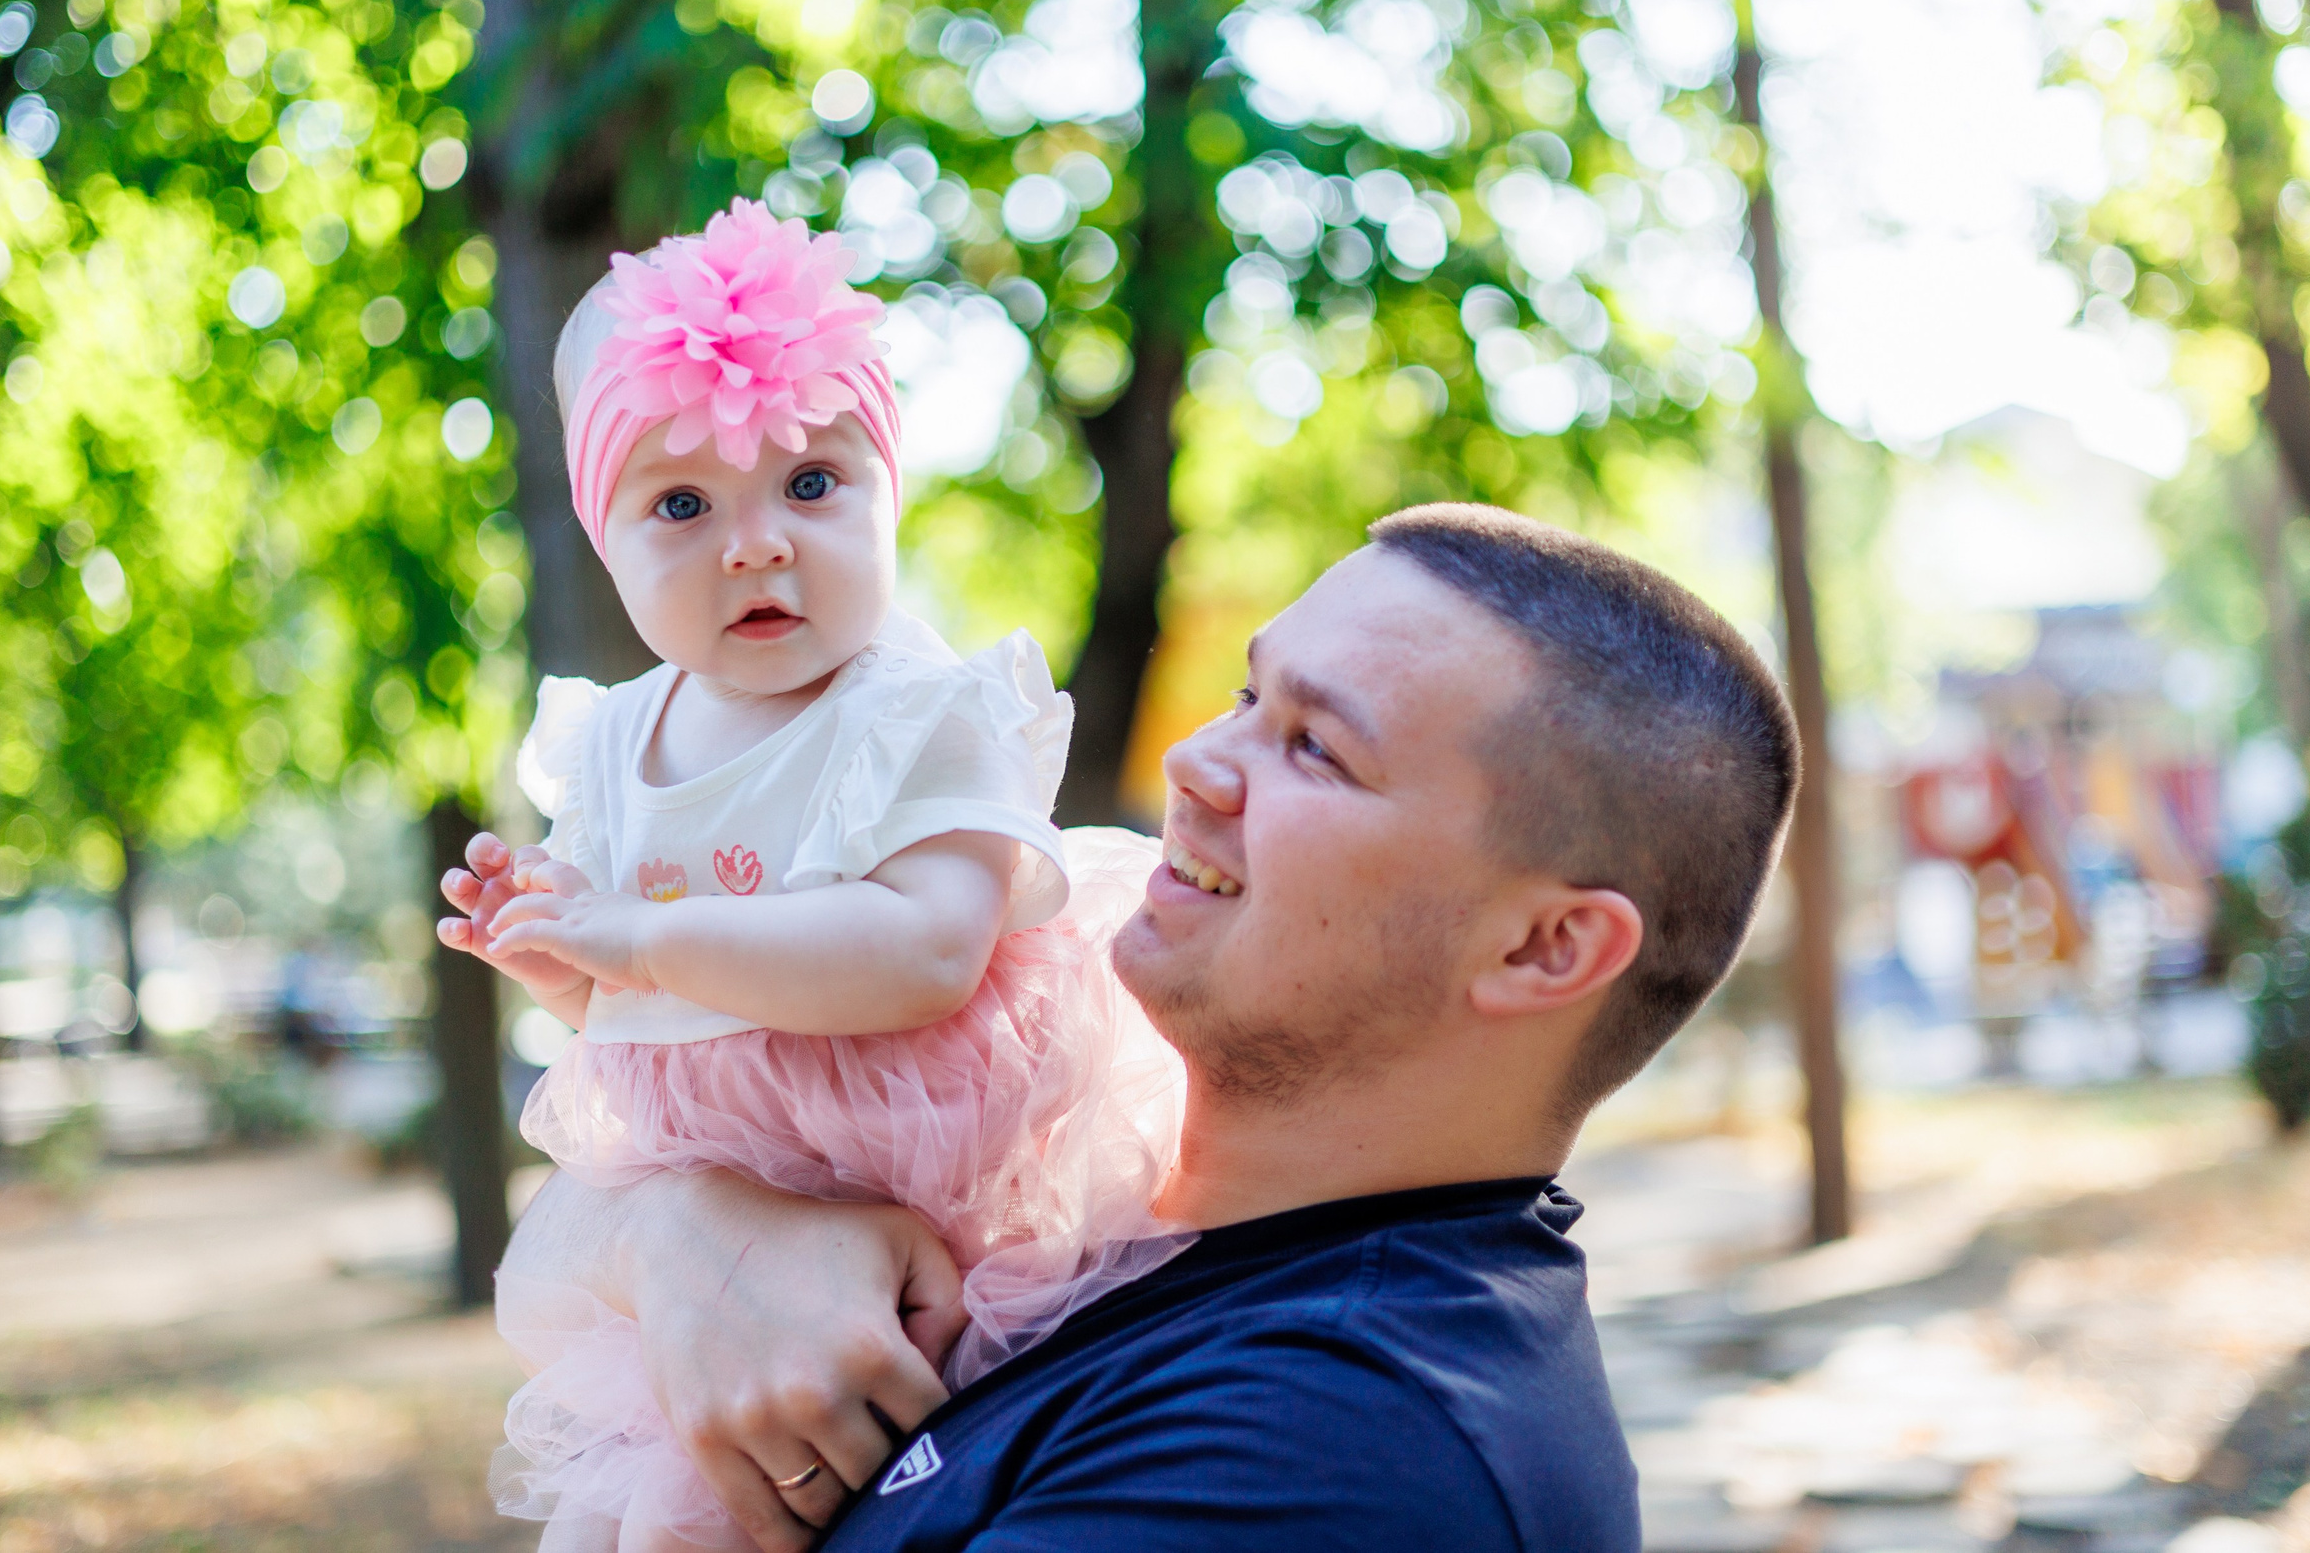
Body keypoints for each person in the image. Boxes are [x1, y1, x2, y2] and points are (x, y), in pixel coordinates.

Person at [478, 501, 1802, 1552]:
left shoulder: (1334, 1446)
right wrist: (679, 1233)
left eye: (1316, 748)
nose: (1193, 765)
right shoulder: (1066, 1192)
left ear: (1541, 946)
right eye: (1245, 698)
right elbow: (576, 1223)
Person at [436, 199, 1186, 1551]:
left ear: (889, 488)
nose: (758, 542)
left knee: (929, 1478)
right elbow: (648, 1024)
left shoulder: (915, 711)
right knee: (674, 1511)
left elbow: (924, 951)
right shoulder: (610, 743)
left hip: (949, 1208)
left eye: (812, 483)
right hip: (727, 1213)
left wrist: (646, 935)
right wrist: (559, 957)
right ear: (608, 538)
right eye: (682, 504)